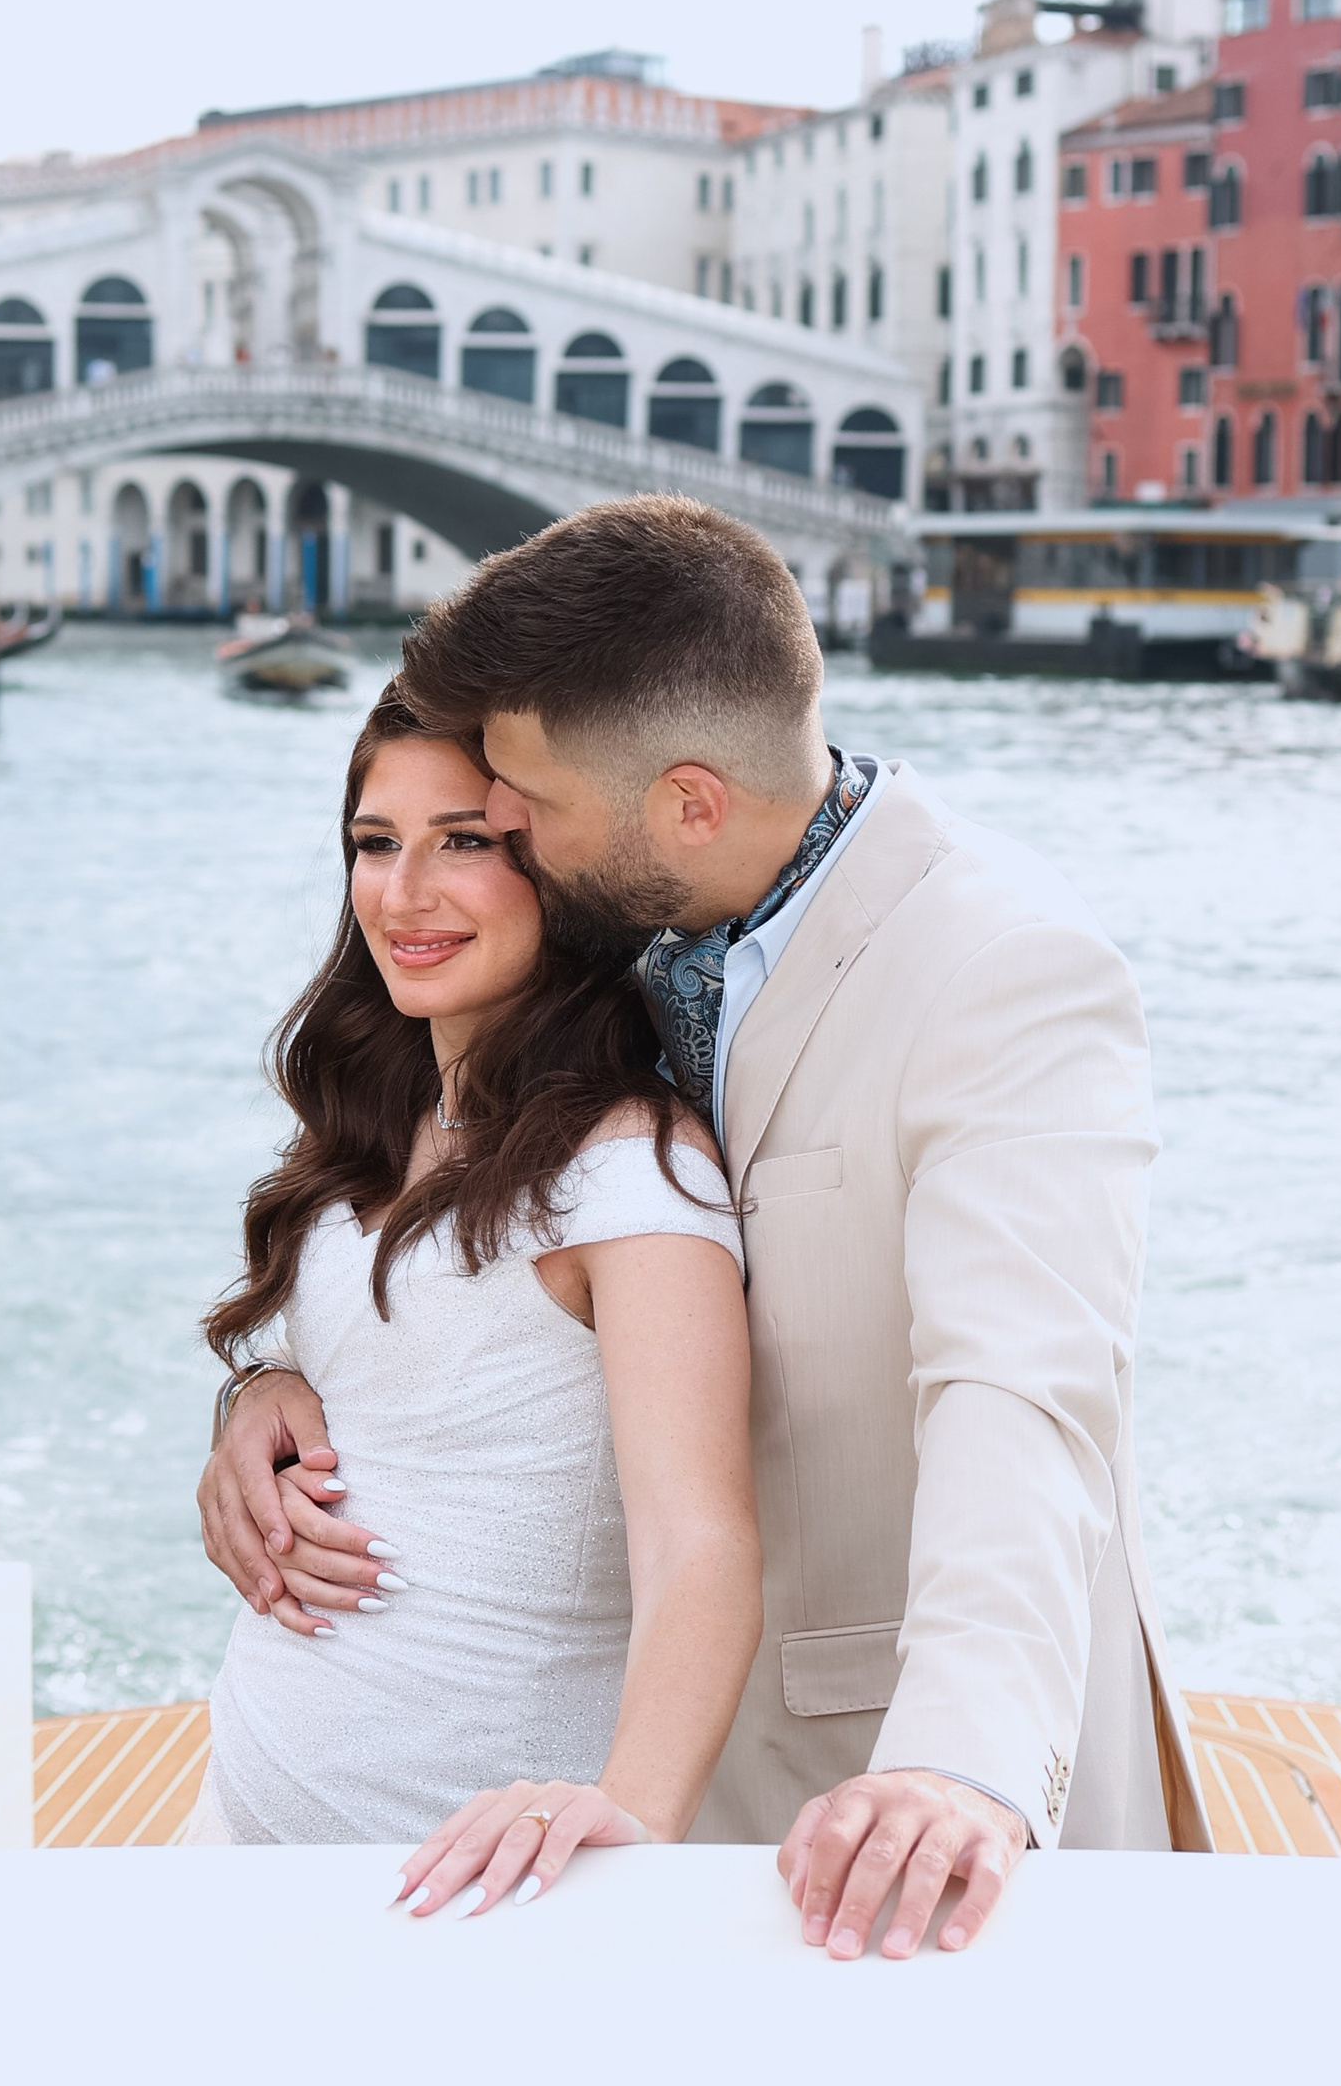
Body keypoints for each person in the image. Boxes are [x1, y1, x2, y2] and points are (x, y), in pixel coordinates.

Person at [198, 497, 1211, 1961]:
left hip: (882, 1788)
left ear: (684, 799)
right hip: (616, 1756)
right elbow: (468, 1286)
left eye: (519, 808)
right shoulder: (635, 918)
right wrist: (270, 1393)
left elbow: (1027, 1393)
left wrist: (961, 1761)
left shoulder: (1006, 969)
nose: (510, 841)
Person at [189, 682, 763, 1918]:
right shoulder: (386, 1122)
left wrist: (635, 1813)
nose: (403, 892)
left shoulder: (624, 1169)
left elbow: (699, 1536)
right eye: (374, 842)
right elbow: (408, 1377)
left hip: (469, 1879)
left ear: (560, 871)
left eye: (465, 843)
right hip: (243, 1811)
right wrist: (257, 1393)